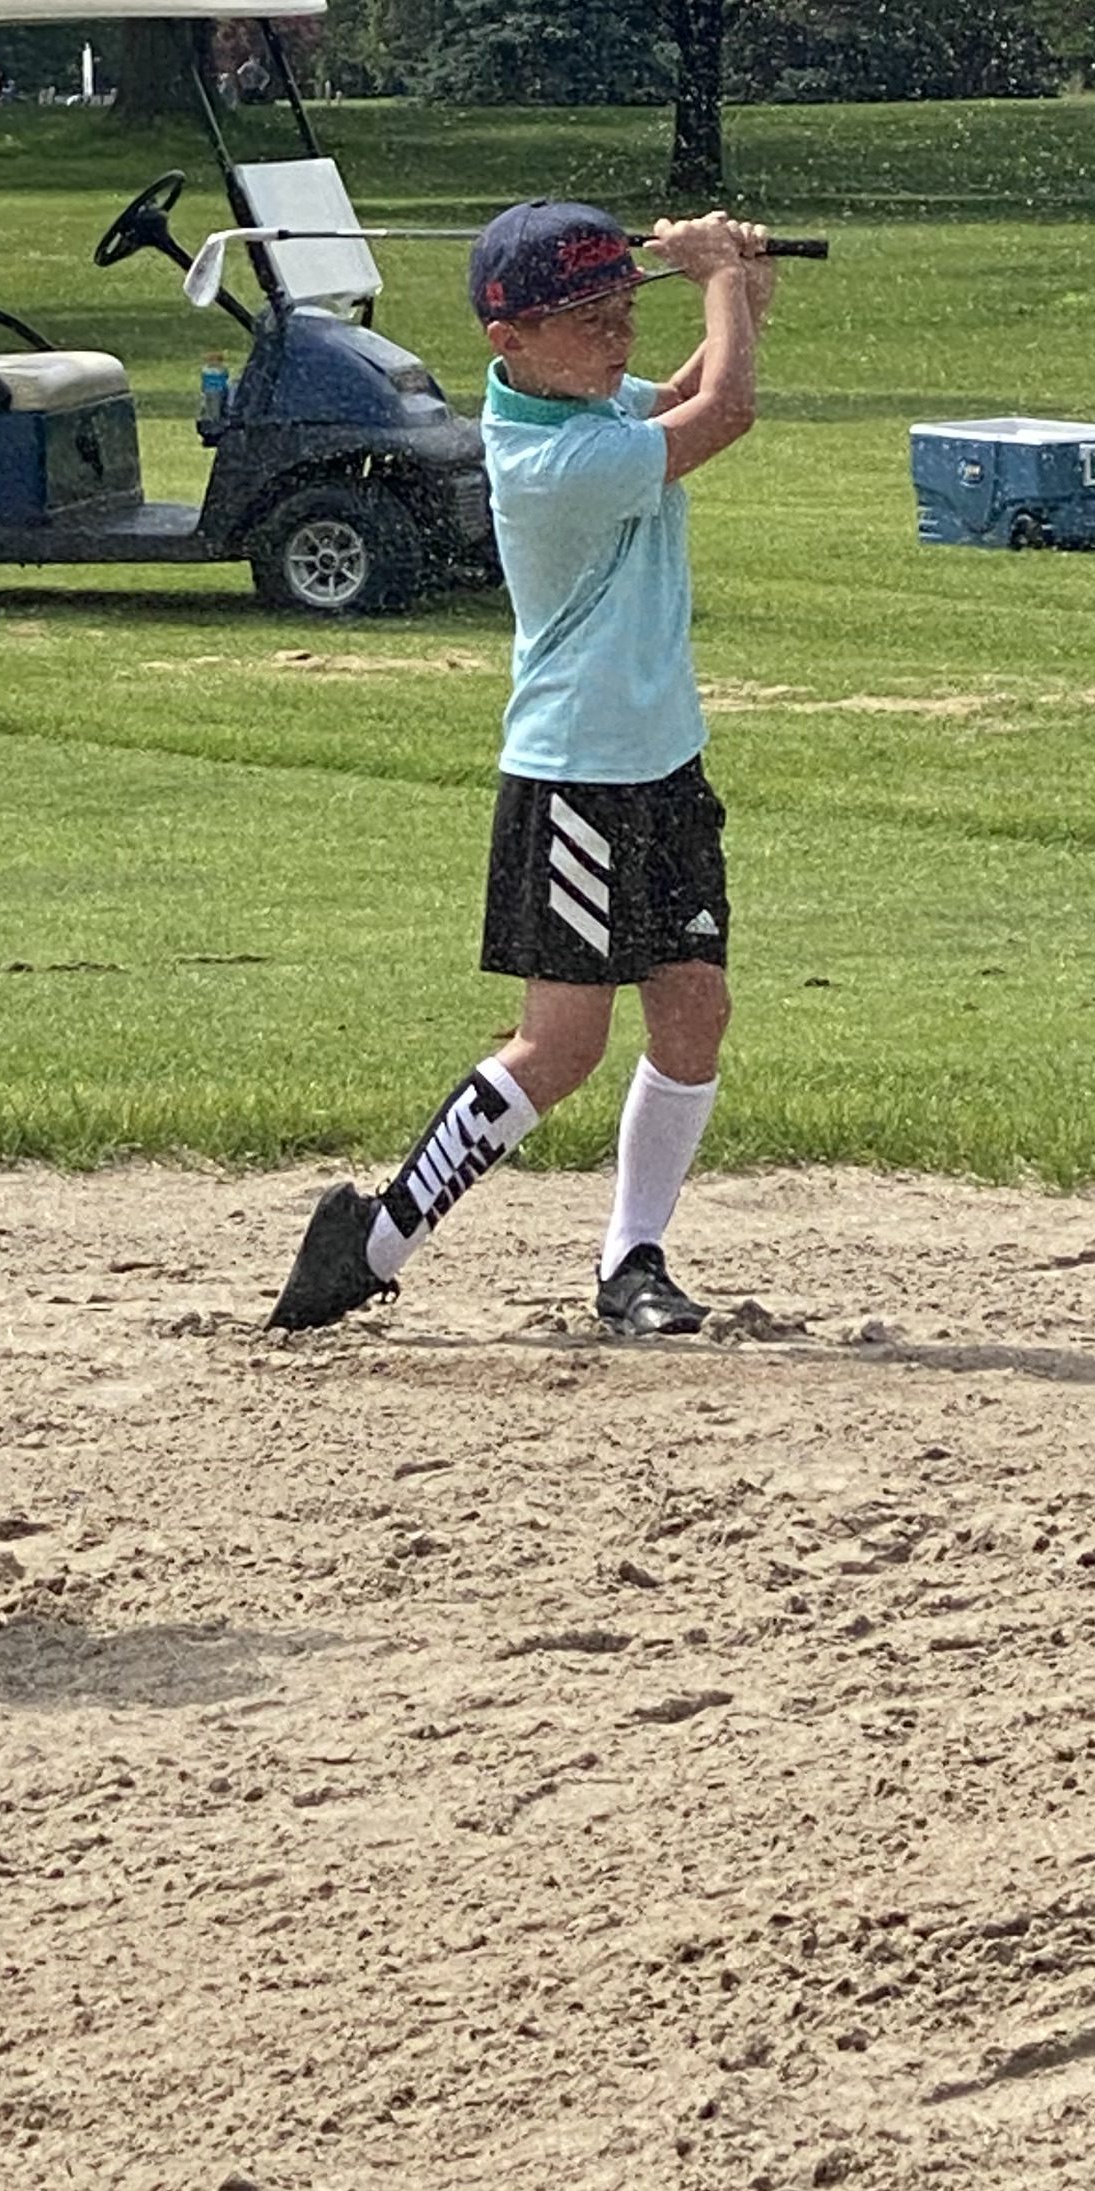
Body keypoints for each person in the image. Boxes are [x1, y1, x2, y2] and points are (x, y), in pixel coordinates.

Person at [267, 199, 775, 1342]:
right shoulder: (553, 458)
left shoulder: (582, 406)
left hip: (662, 765)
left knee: (694, 1011)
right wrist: (722, 287)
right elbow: (725, 413)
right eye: (582, 318)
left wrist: (736, 296)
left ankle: (633, 1264)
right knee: (563, 1044)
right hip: (576, 781)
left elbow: (692, 395)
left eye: (618, 307)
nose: (613, 335)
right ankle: (378, 1237)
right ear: (511, 343)